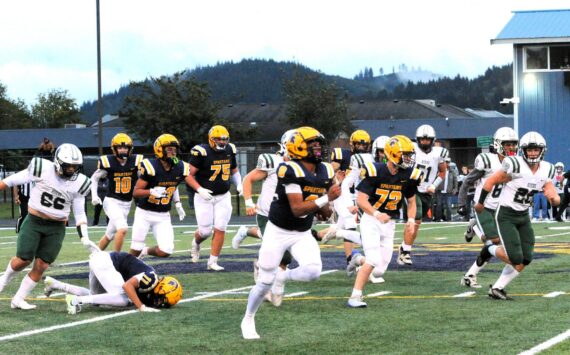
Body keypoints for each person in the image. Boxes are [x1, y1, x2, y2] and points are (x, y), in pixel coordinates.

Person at [240, 126, 341, 339]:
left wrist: (326, 210)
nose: (318, 148)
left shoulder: (325, 170)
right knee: (264, 282)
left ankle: (283, 276)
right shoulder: (288, 169)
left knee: (313, 271)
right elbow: (297, 208)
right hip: (278, 231)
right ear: (298, 147)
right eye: (312, 145)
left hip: (302, 232)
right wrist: (326, 199)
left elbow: (322, 207)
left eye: (318, 144)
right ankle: (248, 318)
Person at [0, 143, 97, 310]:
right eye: (69, 166)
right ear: (58, 163)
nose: (72, 170)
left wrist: (85, 237)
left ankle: (18, 299)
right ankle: (2, 282)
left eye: (75, 167)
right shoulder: (41, 168)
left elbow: (80, 214)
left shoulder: (80, 183)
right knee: (23, 259)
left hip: (57, 227)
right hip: (34, 221)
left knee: (42, 264)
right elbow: (12, 180)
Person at [475, 131, 559, 300]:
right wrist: (481, 203)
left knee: (526, 258)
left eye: (536, 150)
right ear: (523, 150)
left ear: (542, 150)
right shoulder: (514, 164)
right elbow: (490, 182)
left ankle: (497, 288)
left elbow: (551, 191)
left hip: (523, 216)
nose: (533, 153)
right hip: (506, 215)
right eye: (529, 150)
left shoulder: (547, 169)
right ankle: (490, 249)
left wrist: (554, 199)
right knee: (515, 257)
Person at [346, 135, 420, 308]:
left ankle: (356, 259)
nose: (409, 158)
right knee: (372, 260)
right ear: (393, 155)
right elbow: (361, 200)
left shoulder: (409, 175)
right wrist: (377, 214)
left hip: (389, 223)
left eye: (410, 155)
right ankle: (355, 296)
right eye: (405, 154)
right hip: (371, 220)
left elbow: (411, 202)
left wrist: (410, 219)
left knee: (379, 270)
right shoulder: (375, 171)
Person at [458, 127, 518, 288]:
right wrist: (461, 203)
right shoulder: (487, 160)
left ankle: (470, 275)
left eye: (513, 144)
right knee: (496, 242)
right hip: (482, 208)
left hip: (500, 211)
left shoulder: (515, 163)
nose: (511, 148)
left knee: (492, 245)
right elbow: (467, 182)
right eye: (507, 144)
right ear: (498, 144)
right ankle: (475, 224)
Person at [43, 250, 182, 314]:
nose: (160, 302)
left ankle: (55, 284)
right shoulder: (151, 278)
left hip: (100, 260)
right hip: (105, 262)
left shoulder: (151, 282)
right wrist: (141, 307)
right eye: (162, 298)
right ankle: (76, 301)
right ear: (162, 287)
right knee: (124, 299)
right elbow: (127, 286)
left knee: (97, 298)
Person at [187, 125, 242, 271]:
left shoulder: (230, 149)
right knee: (205, 232)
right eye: (218, 139)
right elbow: (188, 175)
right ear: (211, 139)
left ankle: (212, 262)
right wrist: (199, 189)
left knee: (220, 228)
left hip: (223, 196)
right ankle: (196, 242)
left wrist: (239, 184)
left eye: (224, 139)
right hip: (204, 197)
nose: (222, 142)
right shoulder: (202, 152)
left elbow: (234, 171)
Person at [129, 134, 188, 259]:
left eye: (174, 148)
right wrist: (151, 191)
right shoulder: (151, 166)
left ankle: (146, 251)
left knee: (166, 250)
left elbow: (174, 184)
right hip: (144, 213)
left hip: (163, 215)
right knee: (135, 248)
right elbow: (136, 192)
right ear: (160, 149)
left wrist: (177, 203)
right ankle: (124, 269)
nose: (173, 151)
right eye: (169, 148)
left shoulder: (179, 166)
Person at [398, 124, 448, 265]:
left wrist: (434, 185)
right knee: (416, 218)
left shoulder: (439, 153)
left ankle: (403, 247)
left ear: (433, 140)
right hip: (412, 188)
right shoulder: (411, 149)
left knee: (417, 223)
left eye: (427, 140)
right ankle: (406, 252)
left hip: (427, 191)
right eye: (422, 139)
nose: (424, 142)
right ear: (417, 139)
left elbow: (443, 172)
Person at [321, 130, 372, 267]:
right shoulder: (342, 155)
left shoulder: (370, 158)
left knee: (341, 227)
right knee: (351, 224)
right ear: (352, 144)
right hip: (342, 195)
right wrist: (337, 181)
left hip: (360, 196)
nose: (361, 148)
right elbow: (329, 172)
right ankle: (351, 259)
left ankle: (314, 235)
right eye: (358, 145)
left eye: (364, 145)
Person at [91, 133, 144, 251]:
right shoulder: (108, 161)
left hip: (127, 203)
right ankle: (117, 259)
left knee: (109, 235)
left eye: (125, 147)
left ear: (130, 149)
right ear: (114, 149)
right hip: (112, 201)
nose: (123, 150)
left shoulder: (136, 162)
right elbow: (94, 178)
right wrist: (94, 196)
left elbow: (144, 178)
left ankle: (94, 256)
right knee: (123, 228)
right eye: (120, 147)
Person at [434, 157, 458, 221]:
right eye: (446, 162)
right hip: (439, 191)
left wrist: (455, 189)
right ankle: (438, 219)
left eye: (448, 162)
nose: (447, 163)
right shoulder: (438, 170)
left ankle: (449, 219)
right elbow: (434, 179)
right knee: (439, 205)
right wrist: (434, 188)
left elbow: (455, 181)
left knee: (448, 206)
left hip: (448, 191)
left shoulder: (452, 171)